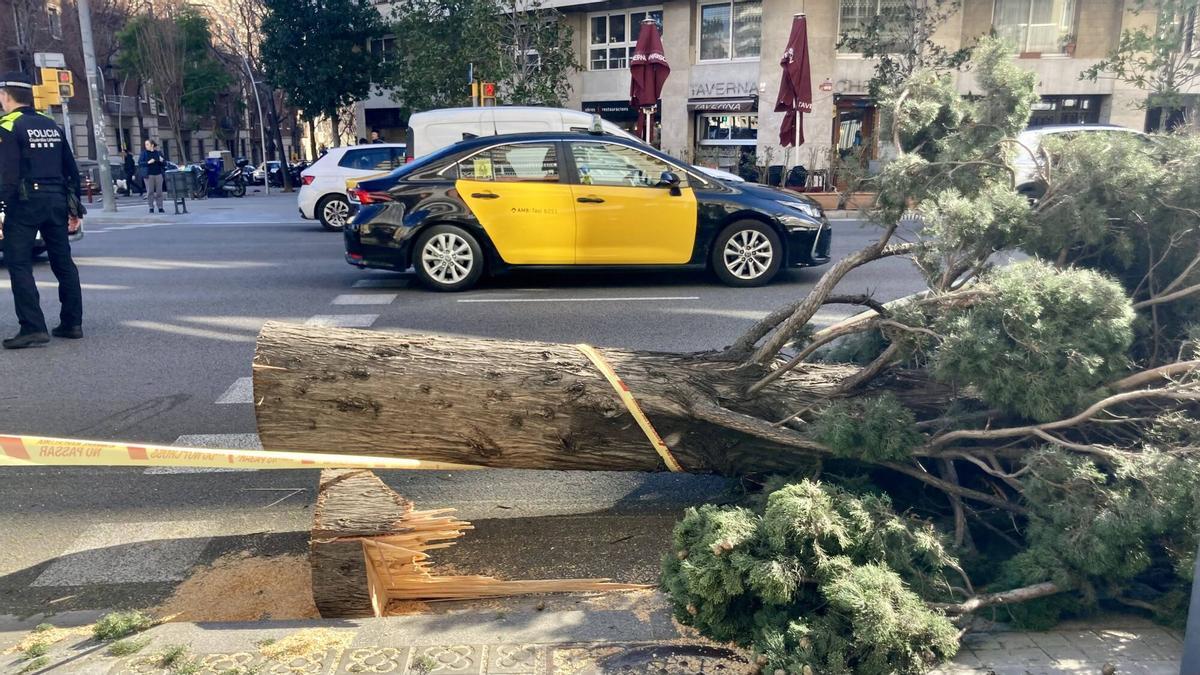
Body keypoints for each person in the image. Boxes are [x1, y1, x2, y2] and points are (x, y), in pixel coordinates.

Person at [0, 72, 84, 349]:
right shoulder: (51, 125)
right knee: (63, 262)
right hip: (56, 200)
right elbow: (71, 169)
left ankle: (32, 327)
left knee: (19, 263)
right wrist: (75, 206)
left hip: (24, 203)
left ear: (5, 95)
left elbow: (7, 175)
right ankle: (72, 323)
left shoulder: (8, 126)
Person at [139, 139, 165, 213]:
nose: (146, 146)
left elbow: (164, 164)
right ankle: (151, 207)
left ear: (152, 145)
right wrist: (148, 162)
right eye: (145, 144)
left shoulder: (158, 153)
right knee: (150, 192)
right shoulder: (144, 153)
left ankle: (160, 207)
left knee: (159, 191)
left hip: (158, 174)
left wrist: (162, 160)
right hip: (149, 175)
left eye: (147, 144)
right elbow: (140, 163)